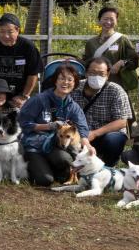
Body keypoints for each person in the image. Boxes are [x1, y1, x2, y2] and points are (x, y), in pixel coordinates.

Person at [19, 59, 90, 187]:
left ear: (75, 83)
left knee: (65, 160)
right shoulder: (39, 100)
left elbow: (82, 128)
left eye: (70, 80)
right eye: (62, 78)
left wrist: (87, 144)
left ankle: (55, 170)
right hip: (34, 147)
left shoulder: (72, 106)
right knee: (44, 180)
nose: (65, 82)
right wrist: (47, 126)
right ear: (55, 81)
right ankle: (33, 166)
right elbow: (22, 123)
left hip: (54, 146)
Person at [73, 56, 133, 166]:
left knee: (113, 140)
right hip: (80, 134)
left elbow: (121, 122)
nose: (97, 77)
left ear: (108, 74)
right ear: (86, 73)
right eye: (93, 73)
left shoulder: (116, 90)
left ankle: (108, 165)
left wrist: (95, 133)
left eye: (101, 74)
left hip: (105, 134)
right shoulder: (75, 87)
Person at [0, 13, 40, 108]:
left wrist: (24, 96)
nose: (6, 36)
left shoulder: (28, 47)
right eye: (2, 32)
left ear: (17, 30)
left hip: (19, 96)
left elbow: (33, 74)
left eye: (10, 32)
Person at [83, 5, 139, 97]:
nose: (108, 22)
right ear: (99, 20)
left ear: (116, 21)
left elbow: (134, 61)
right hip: (95, 86)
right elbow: (86, 63)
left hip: (117, 85)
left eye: (112, 19)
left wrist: (122, 62)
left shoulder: (122, 40)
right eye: (105, 19)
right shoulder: (91, 42)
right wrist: (74, 60)